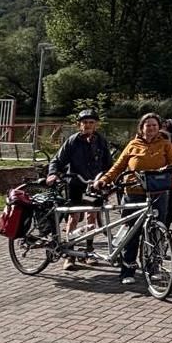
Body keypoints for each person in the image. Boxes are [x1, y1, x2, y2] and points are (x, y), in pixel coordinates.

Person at [93, 112, 172, 285]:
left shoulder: (165, 144)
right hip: (134, 194)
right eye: (148, 125)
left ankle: (154, 267)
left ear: (159, 127)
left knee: (156, 232)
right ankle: (128, 270)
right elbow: (118, 166)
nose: (151, 128)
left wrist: (170, 168)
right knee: (131, 233)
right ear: (141, 128)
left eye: (154, 125)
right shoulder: (133, 144)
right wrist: (104, 179)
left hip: (157, 194)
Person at [47, 108, 113, 270]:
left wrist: (109, 179)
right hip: (76, 184)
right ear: (79, 125)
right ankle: (70, 254)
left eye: (91, 123)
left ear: (96, 125)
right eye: (85, 123)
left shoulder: (101, 141)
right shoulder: (73, 141)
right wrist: (53, 173)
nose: (88, 125)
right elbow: (58, 159)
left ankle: (88, 251)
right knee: (74, 217)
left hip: (94, 185)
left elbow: (109, 164)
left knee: (92, 217)